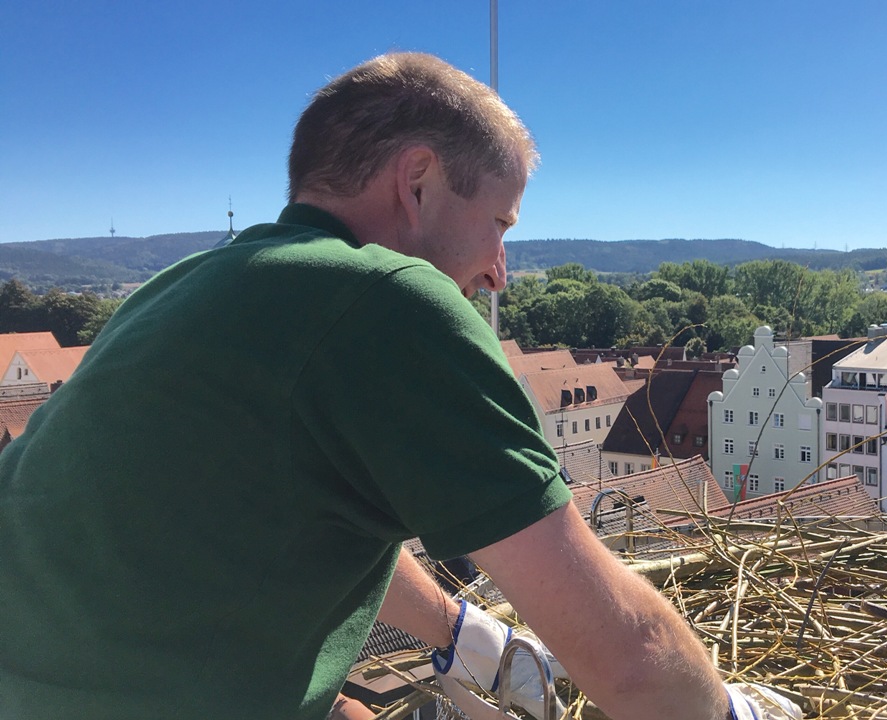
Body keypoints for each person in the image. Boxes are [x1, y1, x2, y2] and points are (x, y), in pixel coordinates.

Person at [0, 53, 800, 720]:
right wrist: (730, 714)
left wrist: (459, 631)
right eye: (500, 224)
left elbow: (310, 511)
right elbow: (629, 659)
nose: (499, 272)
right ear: (417, 182)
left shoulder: (186, 287)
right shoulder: (383, 298)